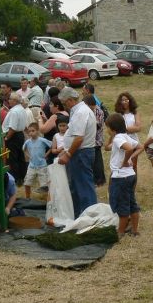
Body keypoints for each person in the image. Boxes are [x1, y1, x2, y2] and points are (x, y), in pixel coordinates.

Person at [57, 86, 97, 217]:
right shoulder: (79, 111)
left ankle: (89, 217)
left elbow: (79, 138)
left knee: (84, 187)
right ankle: (79, 214)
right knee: (77, 186)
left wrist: (68, 154)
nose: (64, 106)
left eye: (64, 103)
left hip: (81, 154)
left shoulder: (80, 112)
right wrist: (66, 150)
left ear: (69, 100)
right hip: (78, 153)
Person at [104, 113, 142, 238]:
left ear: (113, 128)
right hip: (130, 175)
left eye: (107, 127)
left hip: (121, 177)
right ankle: (135, 230)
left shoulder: (119, 138)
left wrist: (126, 161)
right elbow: (140, 147)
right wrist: (131, 159)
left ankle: (120, 232)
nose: (106, 130)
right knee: (132, 203)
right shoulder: (124, 136)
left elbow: (129, 149)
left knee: (122, 205)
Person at [2, 93, 28, 185]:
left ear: (15, 101)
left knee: (12, 158)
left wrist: (7, 138)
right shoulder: (21, 109)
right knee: (20, 156)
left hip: (13, 136)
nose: (8, 100)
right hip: (20, 135)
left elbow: (12, 127)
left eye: (10, 99)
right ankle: (22, 176)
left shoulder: (14, 111)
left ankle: (15, 178)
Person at [114, 92, 141, 174]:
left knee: (133, 165)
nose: (125, 102)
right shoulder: (118, 115)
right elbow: (115, 128)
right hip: (122, 142)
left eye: (126, 100)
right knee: (122, 163)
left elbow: (138, 127)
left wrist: (123, 129)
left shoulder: (135, 113)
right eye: (123, 100)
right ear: (120, 102)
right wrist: (132, 128)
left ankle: (133, 184)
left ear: (130, 101)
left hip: (133, 141)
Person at [23, 123, 51, 198]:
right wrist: (28, 156)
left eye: (33, 131)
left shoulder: (42, 140)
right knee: (27, 182)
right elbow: (24, 149)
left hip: (42, 165)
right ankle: (27, 198)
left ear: (38, 131)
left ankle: (47, 199)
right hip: (32, 165)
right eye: (29, 131)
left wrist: (46, 154)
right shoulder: (28, 142)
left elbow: (52, 146)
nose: (31, 133)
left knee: (45, 185)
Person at [84, 95, 107, 187]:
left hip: (96, 140)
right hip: (90, 139)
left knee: (97, 161)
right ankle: (96, 179)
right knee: (93, 161)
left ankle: (99, 180)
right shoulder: (89, 111)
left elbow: (97, 125)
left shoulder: (98, 111)